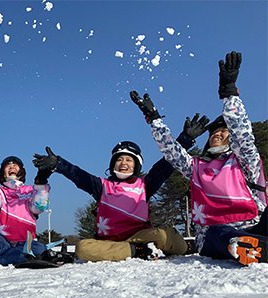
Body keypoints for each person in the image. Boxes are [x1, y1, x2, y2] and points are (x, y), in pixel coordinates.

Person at [130, 51, 267, 266]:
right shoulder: (196, 167)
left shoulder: (244, 162)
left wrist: (229, 93)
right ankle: (248, 247)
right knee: (219, 235)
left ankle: (256, 244)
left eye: (223, 132)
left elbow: (242, 134)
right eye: (214, 132)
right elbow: (171, 152)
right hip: (217, 232)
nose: (217, 134)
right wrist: (155, 120)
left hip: (253, 224)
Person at [32, 126, 199, 261]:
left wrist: (183, 141)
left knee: (163, 235)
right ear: (113, 164)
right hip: (109, 242)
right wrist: (59, 164)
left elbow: (164, 167)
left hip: (140, 236)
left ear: (136, 165)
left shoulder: (144, 184)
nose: (123, 163)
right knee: (83, 248)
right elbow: (79, 175)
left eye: (128, 160)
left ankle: (186, 247)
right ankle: (137, 251)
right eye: (119, 159)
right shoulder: (102, 186)